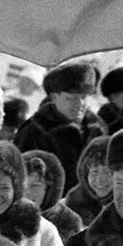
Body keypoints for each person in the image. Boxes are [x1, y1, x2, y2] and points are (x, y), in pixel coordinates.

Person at [13, 62, 107, 193]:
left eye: (83, 98)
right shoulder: (34, 132)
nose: (80, 104)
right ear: (54, 97)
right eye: (71, 98)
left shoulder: (98, 129)